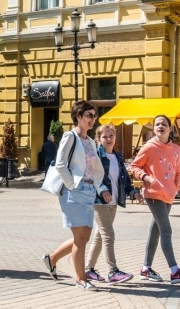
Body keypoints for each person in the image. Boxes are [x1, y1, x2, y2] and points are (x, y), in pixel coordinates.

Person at [43, 101, 110, 291]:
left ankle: (52, 258)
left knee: (84, 236)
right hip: (74, 191)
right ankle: (81, 279)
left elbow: (94, 169)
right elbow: (61, 164)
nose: (92, 119)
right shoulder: (69, 136)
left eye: (94, 115)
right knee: (81, 237)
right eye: (88, 115)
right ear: (78, 117)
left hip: (89, 191)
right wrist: (72, 185)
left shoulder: (90, 141)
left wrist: (101, 188)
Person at [131, 115, 180, 283]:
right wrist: (146, 177)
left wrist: (174, 188)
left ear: (170, 128)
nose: (161, 126)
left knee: (156, 230)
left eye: (164, 124)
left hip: (169, 195)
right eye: (157, 124)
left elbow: (179, 171)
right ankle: (174, 271)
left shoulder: (175, 149)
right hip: (153, 194)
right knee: (166, 230)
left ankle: (146, 268)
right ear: (154, 129)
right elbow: (134, 166)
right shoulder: (149, 147)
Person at [84, 124, 142, 285]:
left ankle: (89, 269)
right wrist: (103, 190)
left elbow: (124, 179)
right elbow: (93, 176)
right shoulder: (96, 155)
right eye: (104, 137)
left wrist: (133, 192)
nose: (108, 139)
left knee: (99, 237)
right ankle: (113, 272)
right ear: (98, 139)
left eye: (111, 136)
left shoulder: (118, 156)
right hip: (99, 201)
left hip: (114, 201)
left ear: (115, 137)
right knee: (108, 235)